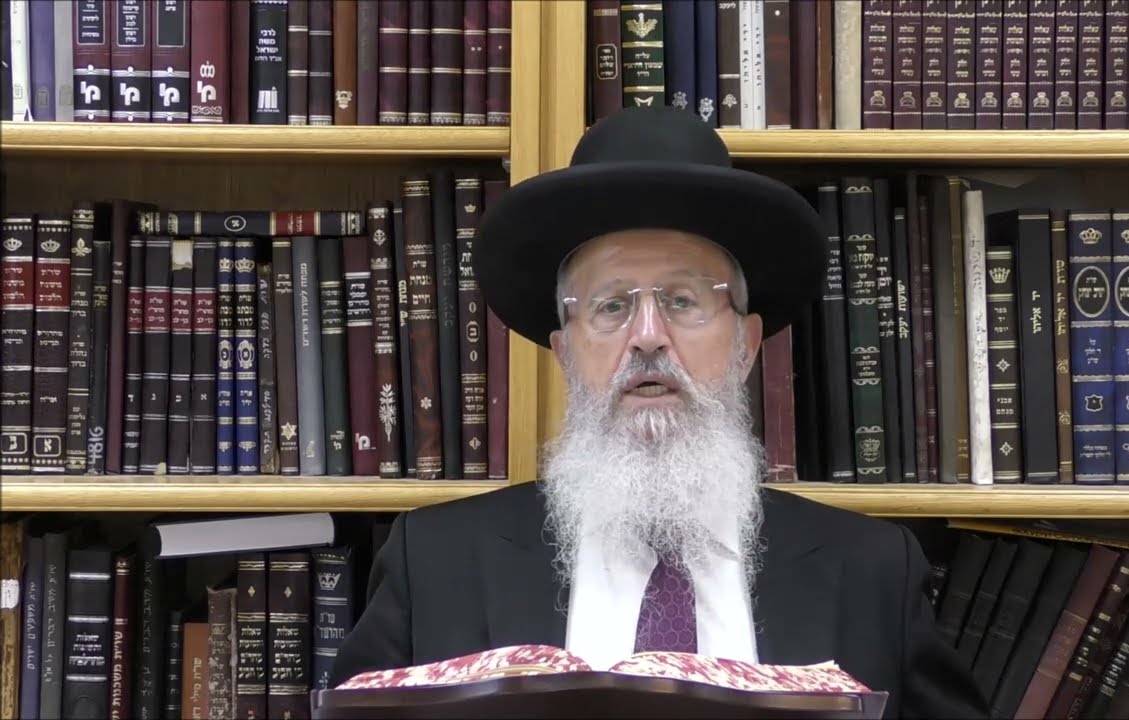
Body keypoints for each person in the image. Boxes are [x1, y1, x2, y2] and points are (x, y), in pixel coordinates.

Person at [330, 106, 990, 719]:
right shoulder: (434, 562)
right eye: (611, 306)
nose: (647, 337)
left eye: (683, 301)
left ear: (745, 345)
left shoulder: (875, 570)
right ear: (565, 352)